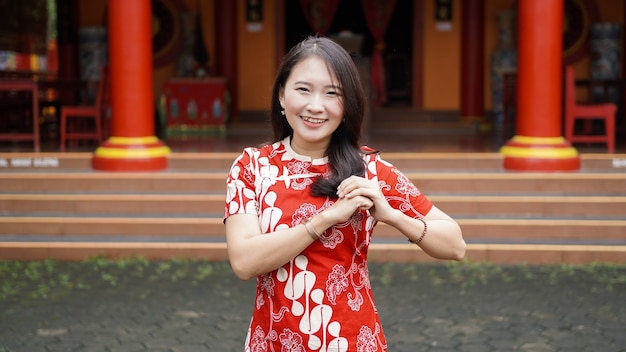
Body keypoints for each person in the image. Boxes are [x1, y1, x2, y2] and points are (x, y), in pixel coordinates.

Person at [224, 36, 465, 352]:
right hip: (274, 342)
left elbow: (456, 245)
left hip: (352, 341)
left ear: (347, 104)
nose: (315, 106)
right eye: (303, 89)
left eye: (332, 93)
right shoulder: (252, 167)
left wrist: (392, 215)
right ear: (281, 95)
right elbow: (244, 262)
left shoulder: (371, 170)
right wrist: (324, 220)